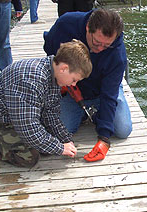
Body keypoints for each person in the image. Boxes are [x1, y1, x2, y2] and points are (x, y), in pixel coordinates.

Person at [0, 40, 92, 168]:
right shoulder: (31, 80)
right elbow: (28, 127)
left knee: (46, 146)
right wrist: (59, 147)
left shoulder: (54, 76)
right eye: (74, 80)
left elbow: (51, 114)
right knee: (28, 157)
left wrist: (65, 140)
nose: (74, 85)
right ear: (64, 68)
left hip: (17, 115)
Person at [44, 8, 132, 162]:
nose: (99, 50)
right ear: (87, 28)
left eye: (107, 46)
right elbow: (50, 50)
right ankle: (87, 113)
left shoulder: (117, 55)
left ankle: (95, 114)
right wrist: (61, 83)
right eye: (96, 43)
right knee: (58, 129)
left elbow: (108, 95)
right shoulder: (66, 24)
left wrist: (104, 139)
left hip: (104, 90)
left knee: (123, 129)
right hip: (72, 88)